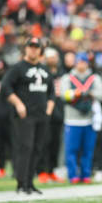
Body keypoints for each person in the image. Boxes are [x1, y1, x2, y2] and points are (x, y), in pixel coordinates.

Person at [1, 37, 55, 194]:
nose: (33, 49)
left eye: (36, 47)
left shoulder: (45, 69)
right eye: (31, 46)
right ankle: (21, 183)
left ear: (40, 50)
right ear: (25, 48)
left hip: (41, 115)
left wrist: (49, 108)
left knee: (37, 149)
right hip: (25, 116)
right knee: (26, 147)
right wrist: (18, 103)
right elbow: (5, 87)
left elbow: (51, 91)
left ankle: (30, 183)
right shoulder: (17, 68)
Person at [60, 52, 102, 184]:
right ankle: (73, 175)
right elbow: (63, 95)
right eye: (79, 62)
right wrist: (76, 93)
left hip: (89, 119)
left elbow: (101, 95)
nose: (81, 64)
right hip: (72, 119)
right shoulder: (67, 78)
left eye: (84, 62)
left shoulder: (94, 78)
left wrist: (89, 93)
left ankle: (86, 174)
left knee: (88, 149)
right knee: (71, 150)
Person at [37, 47, 65, 183]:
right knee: (44, 142)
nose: (52, 59)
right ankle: (42, 170)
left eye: (54, 57)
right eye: (49, 57)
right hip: (45, 111)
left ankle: (52, 170)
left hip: (59, 112)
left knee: (55, 142)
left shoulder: (61, 73)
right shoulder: (42, 72)